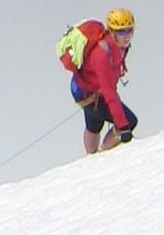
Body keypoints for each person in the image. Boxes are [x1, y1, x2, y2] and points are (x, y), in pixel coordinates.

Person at [58, 9, 138, 154]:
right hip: (89, 94)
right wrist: (123, 126)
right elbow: (109, 93)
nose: (127, 37)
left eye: (130, 31)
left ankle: (92, 157)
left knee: (94, 123)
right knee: (130, 121)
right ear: (112, 32)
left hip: (83, 88)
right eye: (122, 32)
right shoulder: (101, 55)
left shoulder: (118, 46)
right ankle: (102, 156)